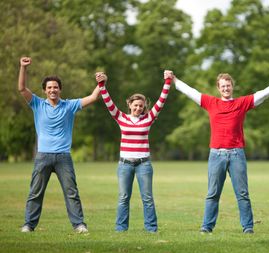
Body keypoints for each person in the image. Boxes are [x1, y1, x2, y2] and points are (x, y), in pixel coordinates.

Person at [164, 70, 269, 234]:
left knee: (242, 193)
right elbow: (191, 92)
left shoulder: (242, 103)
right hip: (216, 154)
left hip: (237, 154)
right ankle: (207, 227)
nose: (226, 88)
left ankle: (248, 227)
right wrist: (175, 79)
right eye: (223, 86)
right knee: (212, 193)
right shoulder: (210, 102)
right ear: (218, 88)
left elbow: (263, 94)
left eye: (228, 86)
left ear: (232, 87)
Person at [18, 57, 103, 233]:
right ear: (44, 90)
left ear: (60, 89)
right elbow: (21, 88)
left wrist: (102, 83)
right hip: (43, 156)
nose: (52, 90)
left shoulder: (69, 106)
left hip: (63, 157)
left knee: (71, 193)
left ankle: (79, 224)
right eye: (49, 87)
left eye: (55, 87)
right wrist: (23, 68)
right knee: (35, 193)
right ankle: (28, 225)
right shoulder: (37, 104)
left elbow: (94, 97)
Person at [96, 73, 171, 232]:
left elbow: (161, 101)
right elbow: (108, 102)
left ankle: (151, 229)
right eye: (135, 105)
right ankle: (121, 229)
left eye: (141, 106)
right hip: (125, 165)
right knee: (123, 198)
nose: (138, 108)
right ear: (129, 104)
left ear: (144, 107)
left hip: (144, 164)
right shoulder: (121, 117)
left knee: (147, 199)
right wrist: (102, 85)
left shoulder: (148, 118)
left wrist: (168, 81)